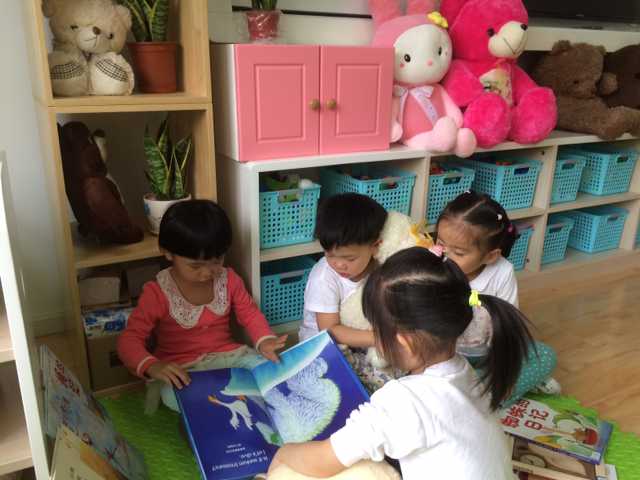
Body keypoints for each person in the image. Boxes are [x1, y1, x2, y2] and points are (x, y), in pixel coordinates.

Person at [269, 247, 531, 479]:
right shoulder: (465, 371)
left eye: (376, 329)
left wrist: (283, 452)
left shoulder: (403, 399)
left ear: (403, 342)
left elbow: (322, 461)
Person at [117, 200, 286, 413]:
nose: (207, 273)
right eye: (195, 266)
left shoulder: (229, 279)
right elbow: (128, 340)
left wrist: (265, 340)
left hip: (230, 357)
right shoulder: (158, 292)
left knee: (272, 372)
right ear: (167, 252)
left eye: (217, 261)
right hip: (182, 368)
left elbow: (250, 314)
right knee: (178, 397)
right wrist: (153, 365)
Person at [435, 190, 560, 401]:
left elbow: (507, 324)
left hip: (487, 353)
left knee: (545, 355)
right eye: (441, 243)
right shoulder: (436, 265)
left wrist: (503, 368)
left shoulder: (502, 272)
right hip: (445, 355)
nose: (445, 255)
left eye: (459, 253)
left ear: (490, 256)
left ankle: (483, 392)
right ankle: (480, 393)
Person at [298, 193, 395, 391]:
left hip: (362, 340)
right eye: (329, 255)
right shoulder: (324, 278)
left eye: (349, 259)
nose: (338, 264)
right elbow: (330, 330)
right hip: (324, 344)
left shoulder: (379, 265)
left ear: (375, 246)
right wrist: (378, 338)